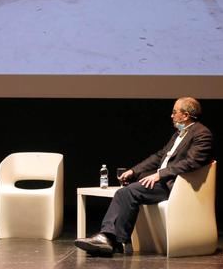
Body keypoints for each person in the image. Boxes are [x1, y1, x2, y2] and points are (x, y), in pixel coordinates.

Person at [74, 97, 213, 256]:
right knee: (124, 192)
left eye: (175, 112)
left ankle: (111, 239)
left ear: (186, 115)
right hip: (164, 181)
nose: (171, 116)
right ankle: (113, 239)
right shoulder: (178, 135)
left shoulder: (202, 134)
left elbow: (191, 163)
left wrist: (159, 175)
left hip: (177, 186)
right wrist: (134, 171)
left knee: (128, 192)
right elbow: (159, 156)